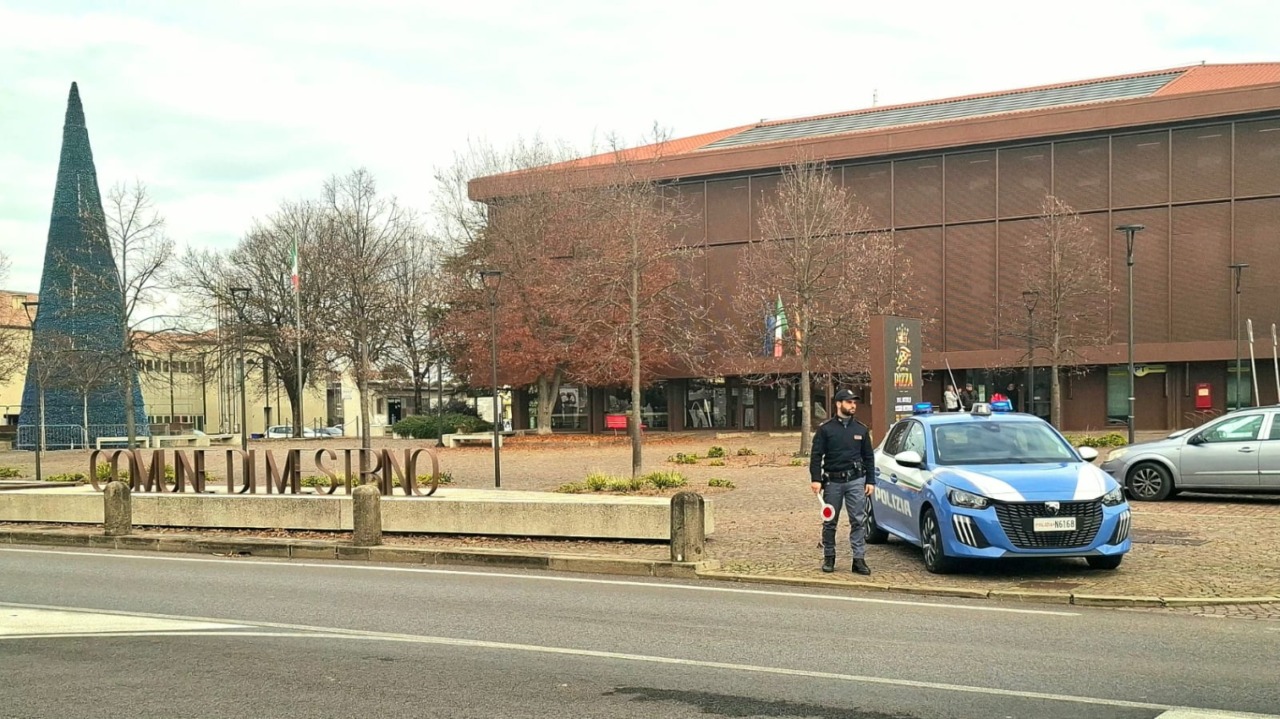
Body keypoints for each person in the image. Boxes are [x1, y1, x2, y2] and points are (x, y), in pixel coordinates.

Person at [809, 388, 876, 575]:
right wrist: (816, 479)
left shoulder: (861, 429)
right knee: (830, 521)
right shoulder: (826, 429)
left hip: (856, 480)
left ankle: (859, 559)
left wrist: (870, 480)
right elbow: (816, 456)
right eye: (848, 402)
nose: (853, 405)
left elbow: (869, 457)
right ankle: (829, 557)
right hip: (833, 481)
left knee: (858, 520)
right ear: (838, 404)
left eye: (854, 402)